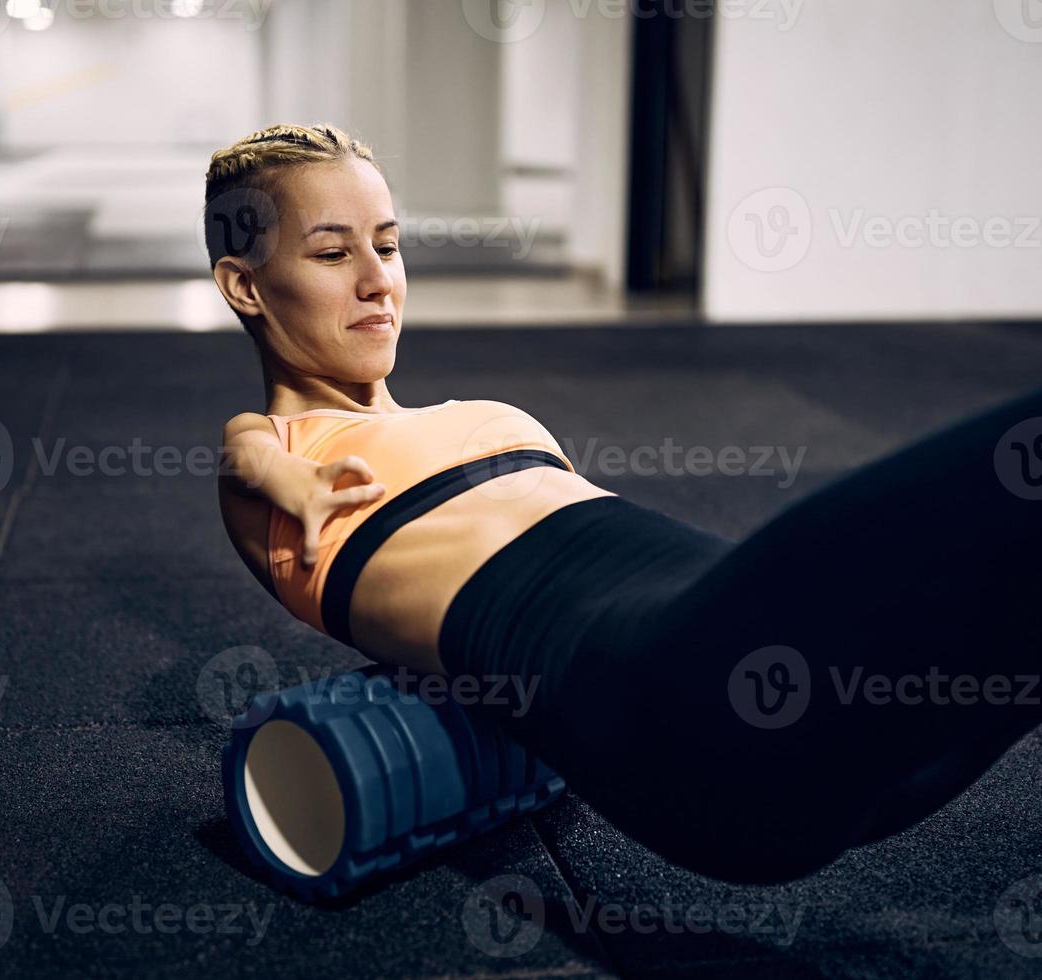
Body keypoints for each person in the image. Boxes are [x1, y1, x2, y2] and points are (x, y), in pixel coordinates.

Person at [209, 122, 1042, 884]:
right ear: (246, 287)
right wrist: (297, 482)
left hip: (799, 702)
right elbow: (245, 455)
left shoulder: (480, 417)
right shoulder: (286, 454)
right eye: (330, 255)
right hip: (694, 715)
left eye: (387, 247)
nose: (375, 282)